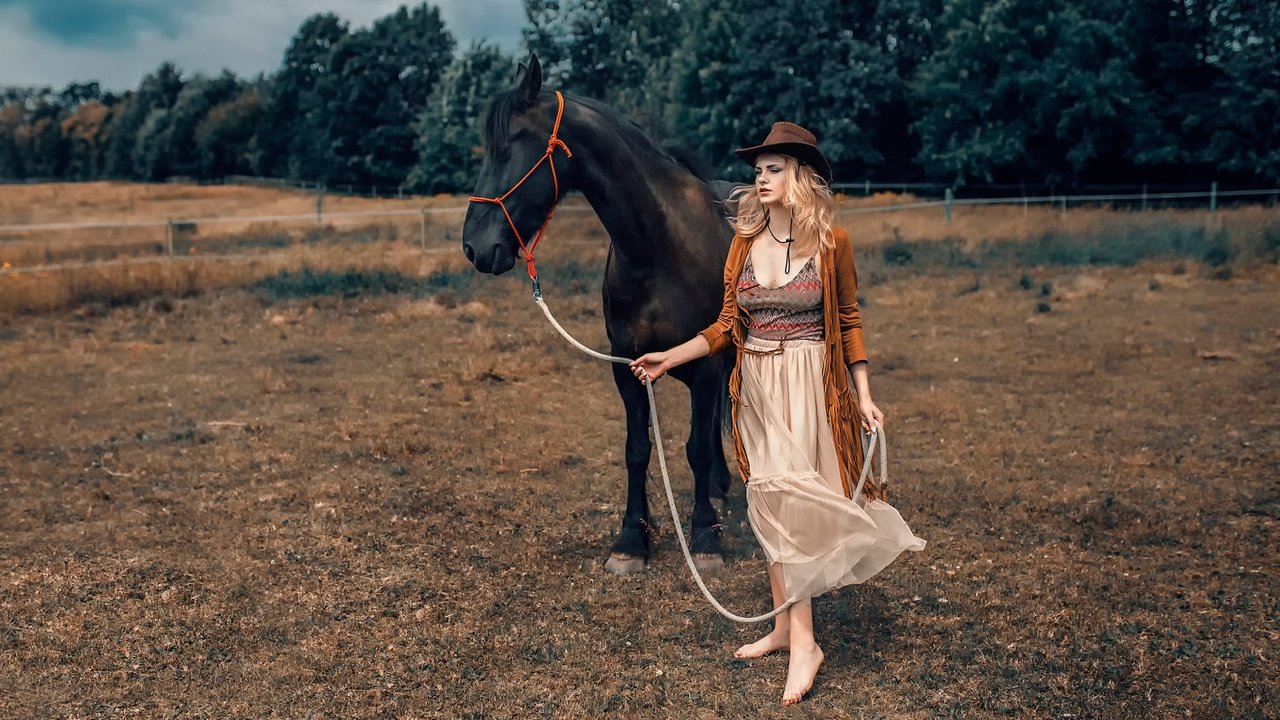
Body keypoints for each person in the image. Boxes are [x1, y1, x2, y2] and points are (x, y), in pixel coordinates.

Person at [629, 122, 926, 705]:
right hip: (759, 386)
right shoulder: (744, 244)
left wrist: (863, 395)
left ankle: (807, 644)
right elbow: (724, 327)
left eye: (773, 169)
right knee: (767, 500)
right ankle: (786, 626)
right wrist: (669, 357)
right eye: (758, 170)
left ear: (801, 177)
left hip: (810, 383)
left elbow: (848, 322)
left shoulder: (833, 243)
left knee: (792, 501)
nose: (760, 179)